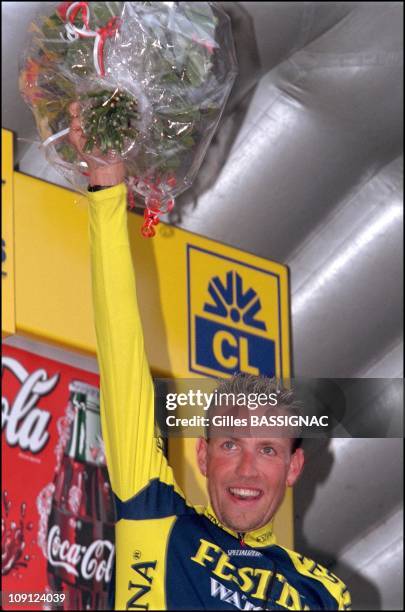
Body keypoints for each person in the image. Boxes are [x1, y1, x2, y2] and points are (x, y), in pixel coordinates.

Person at [69, 103, 352, 611]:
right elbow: (121, 352)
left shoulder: (324, 594)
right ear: (202, 456)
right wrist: (108, 192)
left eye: (268, 450)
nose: (247, 469)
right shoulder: (155, 515)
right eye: (230, 445)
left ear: (294, 467)